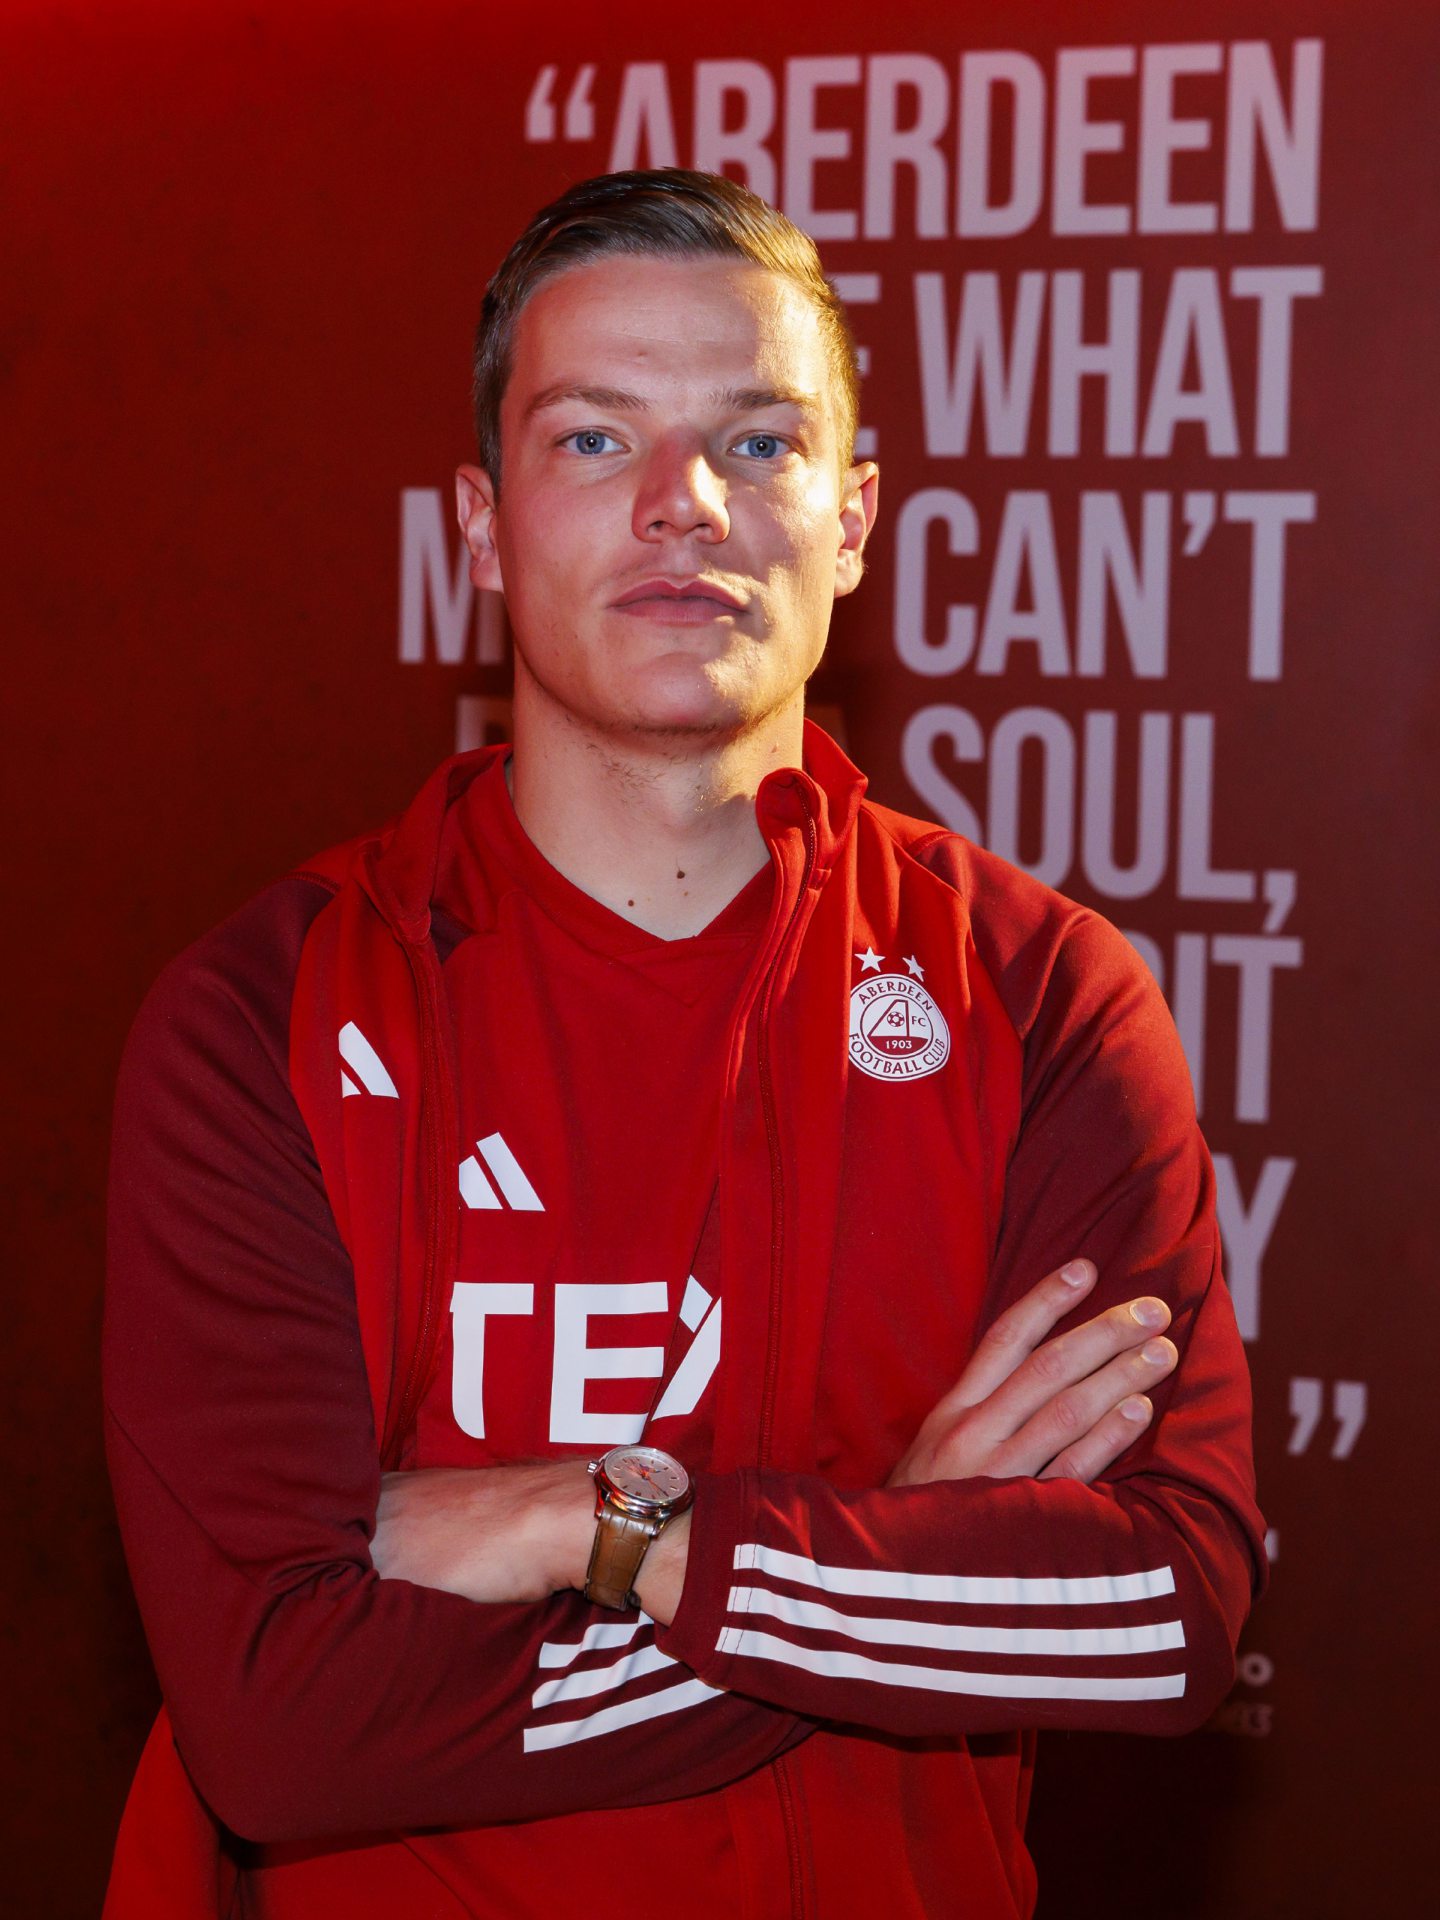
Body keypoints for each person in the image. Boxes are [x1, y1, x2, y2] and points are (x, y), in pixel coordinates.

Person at [102, 169, 1265, 1919]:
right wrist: (899, 1549)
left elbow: (1158, 1611)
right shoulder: (263, 1017)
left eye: (759, 443)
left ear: (854, 519)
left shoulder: (1037, 993)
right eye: (591, 440)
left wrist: (608, 1533)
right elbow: (279, 1722)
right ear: (483, 529)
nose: (682, 506)